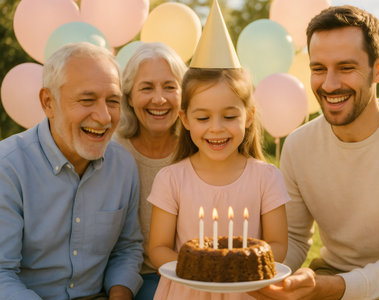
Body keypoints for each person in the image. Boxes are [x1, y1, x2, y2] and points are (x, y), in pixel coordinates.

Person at [249, 5, 379, 300]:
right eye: (318, 69)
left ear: (378, 68)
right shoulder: (298, 145)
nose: (329, 84)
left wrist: (341, 288)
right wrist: (260, 277)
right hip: (334, 272)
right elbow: (293, 238)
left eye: (346, 68)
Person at [0, 42, 144, 300]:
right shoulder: (7, 167)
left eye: (112, 101)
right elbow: (1, 275)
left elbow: (126, 249)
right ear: (48, 103)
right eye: (87, 100)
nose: (103, 117)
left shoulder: (123, 166)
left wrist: (120, 294)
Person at [148, 66, 289, 300]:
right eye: (203, 117)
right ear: (184, 119)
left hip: (247, 292)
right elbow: (158, 249)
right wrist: (204, 268)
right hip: (187, 292)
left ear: (249, 115)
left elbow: (278, 246)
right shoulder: (171, 179)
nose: (216, 127)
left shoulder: (267, 178)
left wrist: (232, 269)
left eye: (230, 116)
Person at [115, 42, 187, 300]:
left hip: (187, 274)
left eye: (170, 87)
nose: (159, 99)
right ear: (129, 96)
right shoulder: (112, 150)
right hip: (132, 278)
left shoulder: (198, 147)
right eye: (146, 88)